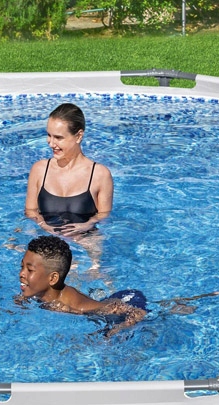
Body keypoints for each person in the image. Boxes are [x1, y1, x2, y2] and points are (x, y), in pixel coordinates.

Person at [18, 235, 144, 336]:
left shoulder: (70, 307)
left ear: (52, 278)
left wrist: (118, 328)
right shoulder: (37, 291)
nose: (21, 274)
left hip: (124, 306)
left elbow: (137, 312)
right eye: (21, 266)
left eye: (30, 270)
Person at [25, 103, 113, 238]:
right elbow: (30, 211)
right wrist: (44, 226)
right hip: (45, 236)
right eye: (49, 135)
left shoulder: (100, 174)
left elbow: (104, 214)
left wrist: (88, 224)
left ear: (78, 136)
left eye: (58, 138)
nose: (51, 143)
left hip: (84, 237)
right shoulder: (39, 170)